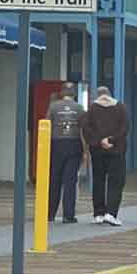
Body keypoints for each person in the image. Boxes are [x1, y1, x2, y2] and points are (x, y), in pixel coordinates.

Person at [84, 84, 129, 226]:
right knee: (116, 182)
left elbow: (87, 128)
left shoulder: (92, 108)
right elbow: (125, 128)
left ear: (97, 96)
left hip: (97, 151)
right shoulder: (120, 107)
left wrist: (99, 141)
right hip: (116, 151)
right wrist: (111, 140)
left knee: (98, 181)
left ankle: (98, 213)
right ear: (110, 94)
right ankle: (111, 213)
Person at [46, 84, 86, 223]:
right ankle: (68, 215)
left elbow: (46, 125)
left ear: (62, 93)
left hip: (56, 145)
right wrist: (85, 152)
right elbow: (84, 130)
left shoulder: (53, 107)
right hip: (74, 145)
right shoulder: (79, 108)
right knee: (70, 182)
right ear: (74, 94)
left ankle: (50, 214)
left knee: (54, 180)